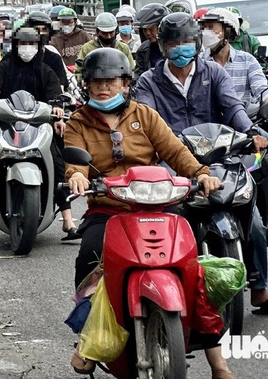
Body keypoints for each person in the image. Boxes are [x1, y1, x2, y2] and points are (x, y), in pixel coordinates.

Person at [65, 47, 231, 379]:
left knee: (194, 265)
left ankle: (218, 361)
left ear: (125, 83)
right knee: (88, 257)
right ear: (86, 85)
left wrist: (200, 173)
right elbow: (74, 162)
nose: (103, 88)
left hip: (158, 204)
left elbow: (174, 150)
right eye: (96, 81)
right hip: (109, 210)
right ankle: (87, 340)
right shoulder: (77, 122)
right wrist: (78, 175)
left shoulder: (146, 115)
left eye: (111, 81)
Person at [135, 12, 268, 316]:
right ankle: (169, 287)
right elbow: (147, 120)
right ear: (163, 46)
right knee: (166, 221)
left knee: (255, 224)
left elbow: (233, 107)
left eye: (186, 42)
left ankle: (259, 289)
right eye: (174, 43)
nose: (181, 48)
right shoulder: (149, 82)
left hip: (220, 156)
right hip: (173, 162)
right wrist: (168, 147)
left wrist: (250, 132)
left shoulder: (214, 74)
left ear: (196, 43)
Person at [0, 27, 75, 240]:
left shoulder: (45, 70)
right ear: (15, 46)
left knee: (56, 156)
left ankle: (68, 218)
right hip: (6, 121)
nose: (27, 49)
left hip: (39, 123)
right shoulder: (5, 66)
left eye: (31, 44)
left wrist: (58, 108)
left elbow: (56, 94)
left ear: (39, 47)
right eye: (22, 44)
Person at [198, 7, 268, 233]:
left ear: (228, 32)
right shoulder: (198, 62)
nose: (206, 32)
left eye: (212, 27)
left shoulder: (247, 60)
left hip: (242, 128)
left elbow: (262, 87)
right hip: (205, 131)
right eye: (203, 27)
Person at [75, 12, 135, 81]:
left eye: (111, 32)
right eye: (104, 33)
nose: (108, 36)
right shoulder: (87, 49)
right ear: (97, 32)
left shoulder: (123, 48)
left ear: (116, 31)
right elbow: (78, 72)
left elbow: (132, 70)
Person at [25, 11, 69, 90]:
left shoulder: (54, 59)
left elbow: (60, 88)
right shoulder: (13, 58)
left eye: (44, 29)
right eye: (37, 29)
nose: (41, 33)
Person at [132, 2, 170, 77]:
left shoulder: (174, 47)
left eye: (151, 29)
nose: (148, 33)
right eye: (144, 30)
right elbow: (139, 76)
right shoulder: (142, 50)